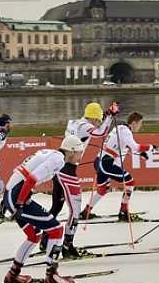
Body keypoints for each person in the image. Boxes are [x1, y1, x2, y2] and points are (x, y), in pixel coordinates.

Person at [3, 135, 84, 283]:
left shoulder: (52, 153)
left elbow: (22, 174)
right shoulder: (58, 159)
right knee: (56, 230)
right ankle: (51, 276)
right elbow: (31, 178)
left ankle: (13, 274)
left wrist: (12, 200)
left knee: (34, 236)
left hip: (12, 193)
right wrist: (20, 203)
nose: (81, 156)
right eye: (80, 152)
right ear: (72, 151)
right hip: (17, 196)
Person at [41, 101, 119, 258]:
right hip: (68, 171)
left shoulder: (75, 122)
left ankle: (44, 240)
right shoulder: (85, 126)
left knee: (56, 207)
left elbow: (93, 128)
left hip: (60, 167)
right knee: (75, 211)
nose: (98, 124)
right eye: (97, 121)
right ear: (93, 118)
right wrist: (109, 117)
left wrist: (104, 115)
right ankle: (67, 245)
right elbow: (100, 134)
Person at [81, 112, 157, 222]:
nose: (141, 127)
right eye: (140, 124)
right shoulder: (125, 131)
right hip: (106, 163)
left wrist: (140, 154)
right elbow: (135, 147)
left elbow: (123, 147)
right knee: (130, 182)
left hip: (99, 161)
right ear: (134, 123)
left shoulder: (121, 129)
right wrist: (151, 147)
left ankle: (85, 212)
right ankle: (123, 212)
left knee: (103, 189)